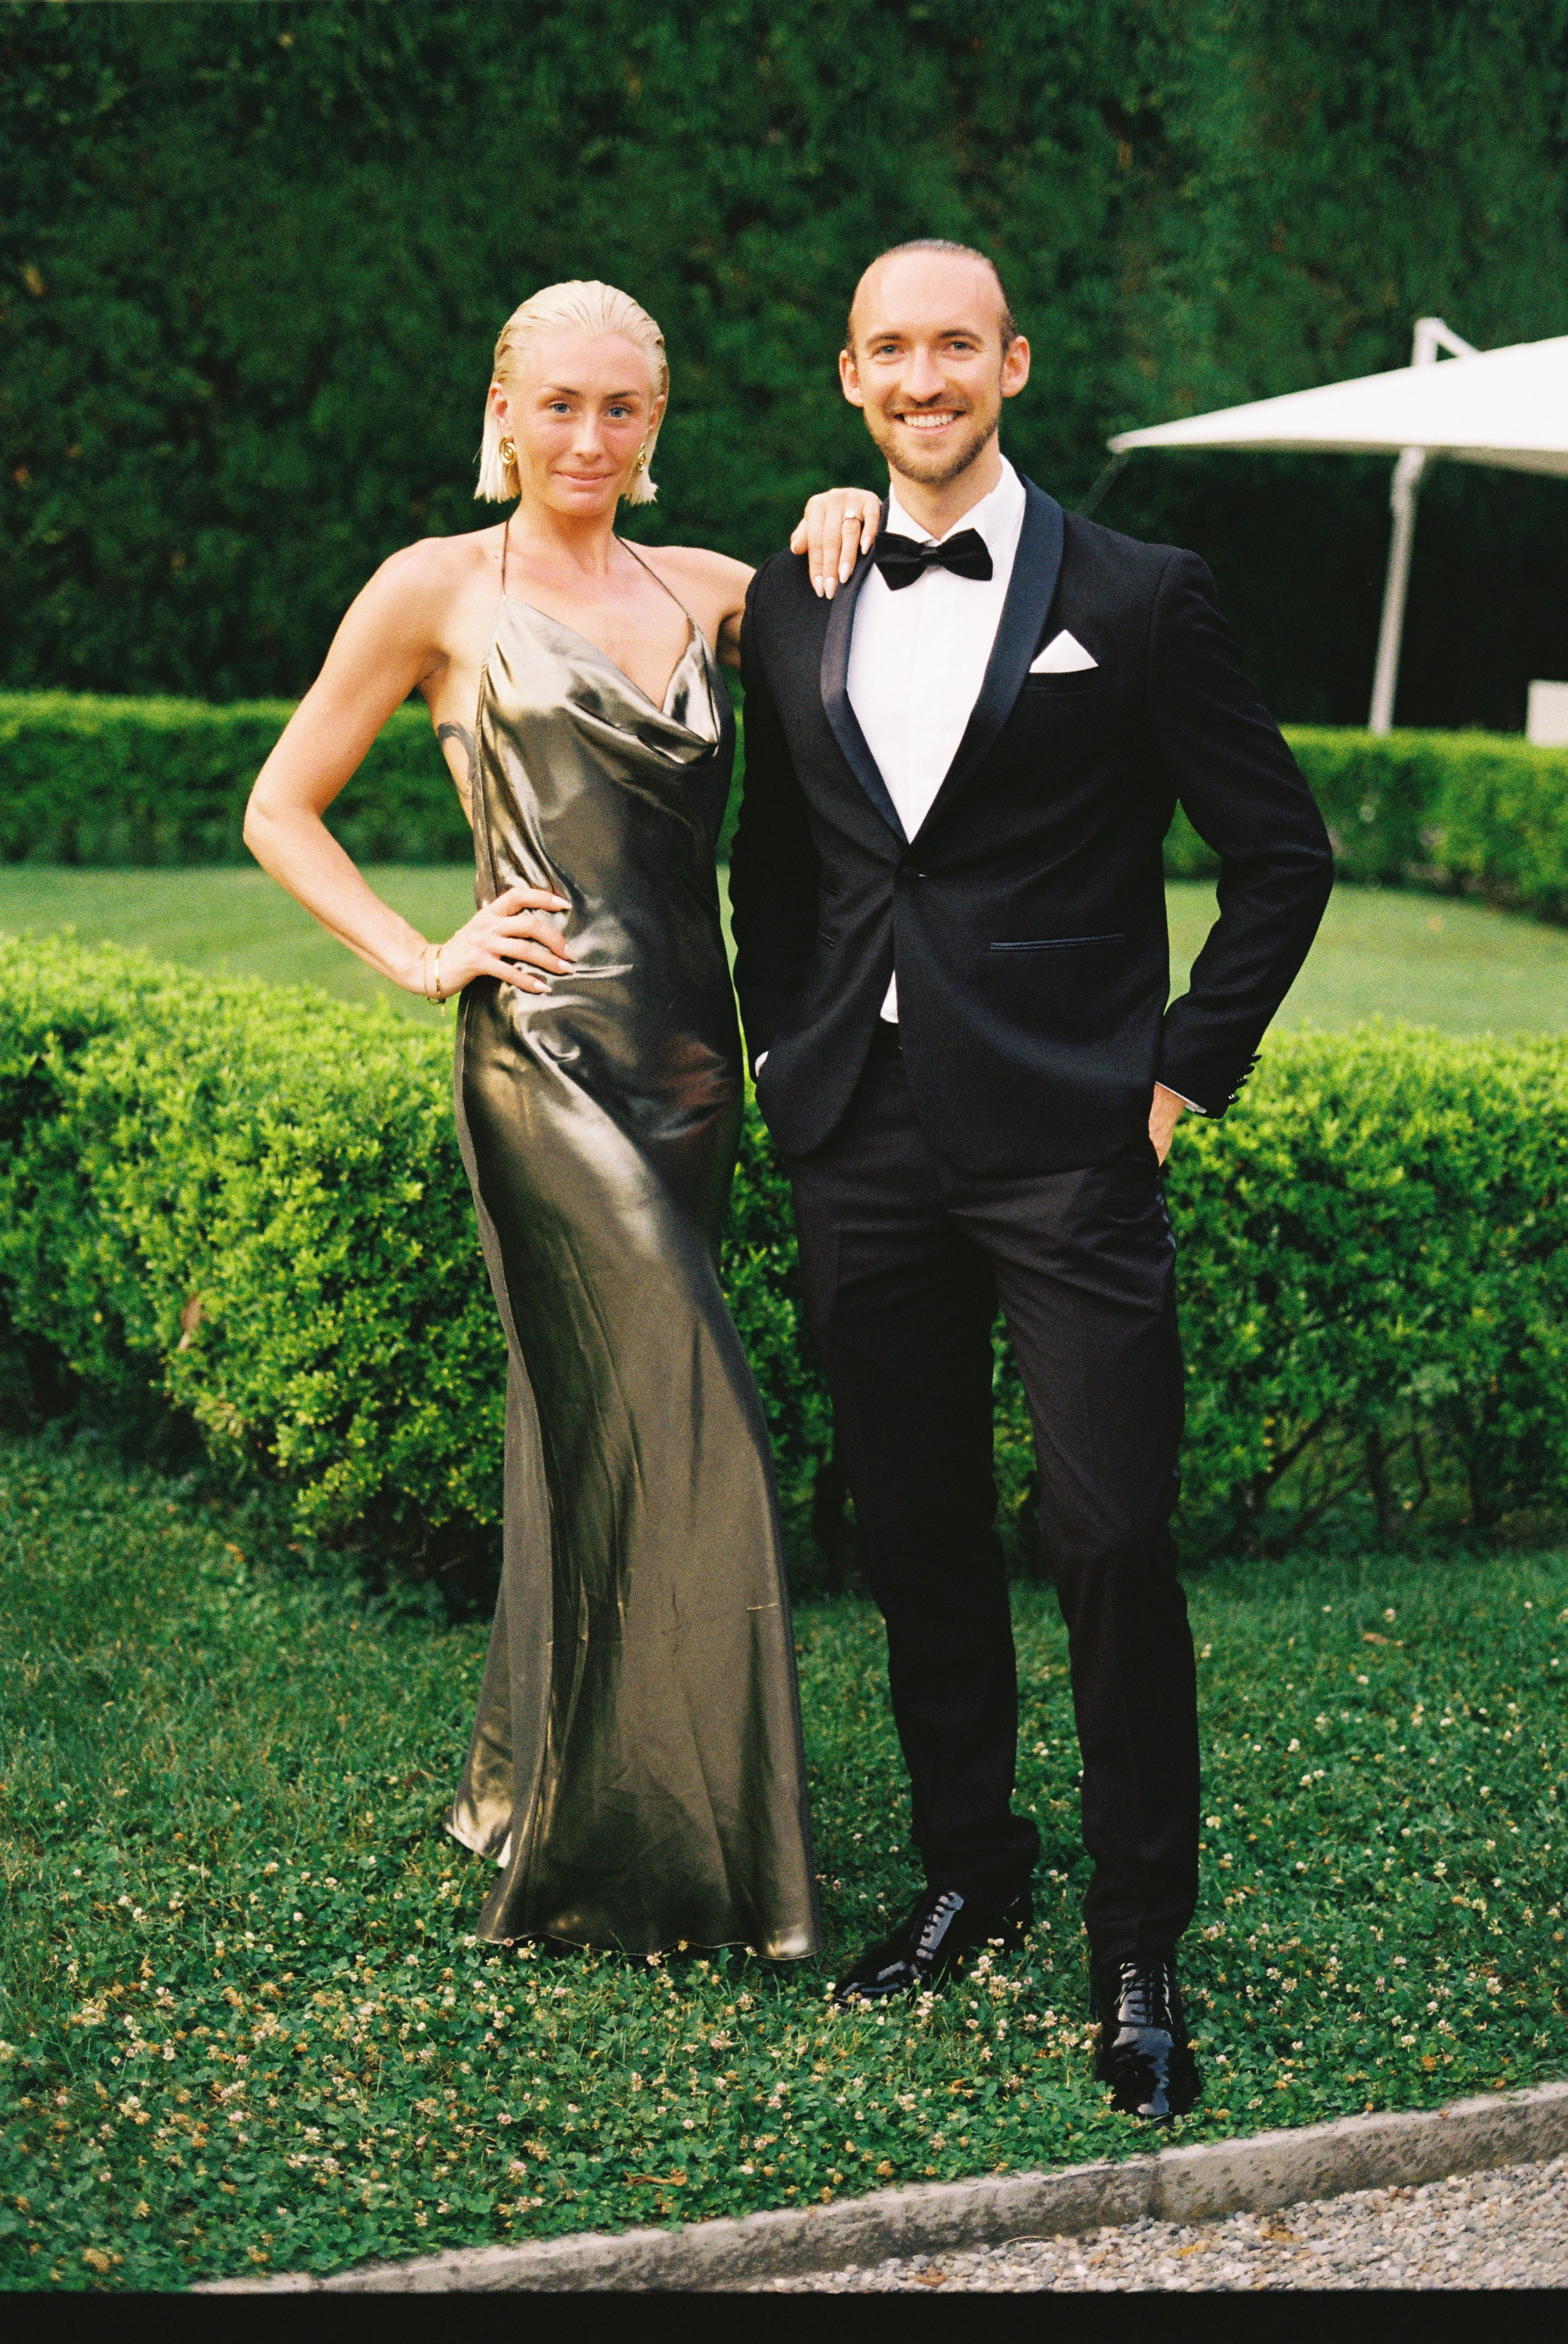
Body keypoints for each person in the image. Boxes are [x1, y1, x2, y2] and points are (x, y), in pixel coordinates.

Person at [730, 239, 1333, 2113]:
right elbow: (775, 853)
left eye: (954, 347)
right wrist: (776, 1052)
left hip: (1072, 1135)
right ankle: (969, 1873)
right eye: (889, 351)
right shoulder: (791, 590)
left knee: (1108, 1533)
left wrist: (1170, 1084)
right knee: (912, 1529)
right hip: (860, 1136)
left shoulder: (1143, 596)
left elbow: (1277, 857)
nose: (923, 378)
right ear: (850, 377)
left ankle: (1136, 1937)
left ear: (1012, 361)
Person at [244, 280, 881, 1959]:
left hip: (693, 1070)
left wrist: (852, 517)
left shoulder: (722, 592)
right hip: (536, 1058)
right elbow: (280, 805)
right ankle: (650, 1858)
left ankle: (532, 1788)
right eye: (560, 405)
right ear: (503, 407)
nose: (588, 437)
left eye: (622, 409)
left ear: (657, 424)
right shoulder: (437, 590)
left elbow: (904, 637)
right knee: (694, 1433)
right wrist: (419, 950)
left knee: (587, 1436)